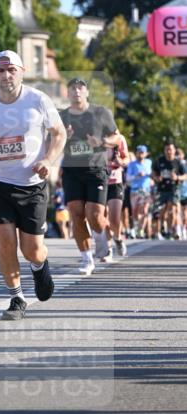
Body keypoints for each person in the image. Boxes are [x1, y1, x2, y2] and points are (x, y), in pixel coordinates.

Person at [0, 50, 66, 321]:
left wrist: (48, 159)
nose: (7, 75)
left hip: (32, 185)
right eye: (1, 70)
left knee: (32, 249)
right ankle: (17, 297)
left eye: (12, 70)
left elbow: (59, 134)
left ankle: (39, 266)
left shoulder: (38, 100)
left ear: (22, 72)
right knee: (6, 244)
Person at [59, 77, 119, 276]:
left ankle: (104, 241)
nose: (76, 91)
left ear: (87, 92)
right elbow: (52, 140)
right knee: (76, 215)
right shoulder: (61, 116)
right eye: (72, 88)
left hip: (96, 170)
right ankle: (86, 258)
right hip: (71, 171)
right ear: (67, 93)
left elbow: (116, 137)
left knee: (94, 215)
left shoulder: (101, 113)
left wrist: (101, 142)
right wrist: (63, 137)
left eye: (80, 88)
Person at [152, 140, 187, 240]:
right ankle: (158, 232)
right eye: (167, 149)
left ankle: (171, 231)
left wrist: (177, 177)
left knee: (172, 209)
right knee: (159, 211)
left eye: (170, 149)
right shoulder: (159, 161)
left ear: (174, 150)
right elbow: (153, 172)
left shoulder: (178, 162)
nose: (169, 152)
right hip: (161, 190)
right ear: (164, 150)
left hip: (173, 189)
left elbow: (185, 175)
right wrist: (156, 178)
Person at [103, 131, 130, 259]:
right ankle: (108, 249)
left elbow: (127, 158)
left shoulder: (119, 138)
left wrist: (120, 161)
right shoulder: (94, 135)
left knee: (114, 219)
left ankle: (118, 238)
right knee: (102, 217)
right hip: (99, 182)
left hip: (115, 182)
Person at [126, 145, 153, 238]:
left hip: (146, 190)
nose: (140, 154)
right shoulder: (132, 164)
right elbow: (127, 178)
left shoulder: (149, 162)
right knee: (135, 211)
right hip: (135, 190)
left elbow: (153, 173)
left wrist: (151, 176)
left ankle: (141, 230)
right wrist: (137, 175)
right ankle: (135, 227)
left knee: (145, 210)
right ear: (136, 153)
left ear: (146, 153)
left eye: (142, 152)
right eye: (139, 152)